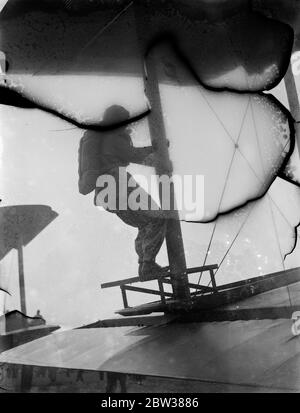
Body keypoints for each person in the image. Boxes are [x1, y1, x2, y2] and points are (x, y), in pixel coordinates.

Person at [78, 105, 168, 281]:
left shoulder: (102, 135)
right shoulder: (112, 135)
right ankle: (147, 263)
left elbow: (128, 154)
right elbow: (132, 155)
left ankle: (146, 264)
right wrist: (158, 150)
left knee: (146, 222)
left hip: (105, 192)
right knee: (158, 217)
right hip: (118, 183)